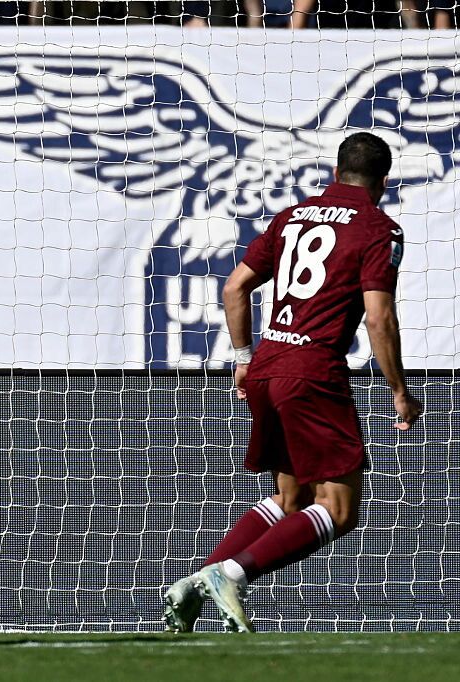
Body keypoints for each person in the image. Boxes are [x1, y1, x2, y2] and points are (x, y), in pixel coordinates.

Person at [163, 132, 423, 632]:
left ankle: (193, 585)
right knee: (339, 509)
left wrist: (243, 359)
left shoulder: (292, 217)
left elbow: (234, 287)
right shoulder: (379, 228)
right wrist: (398, 389)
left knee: (292, 499)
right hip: (312, 373)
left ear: (335, 173)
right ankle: (231, 574)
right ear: (384, 182)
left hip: (268, 366)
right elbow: (378, 317)